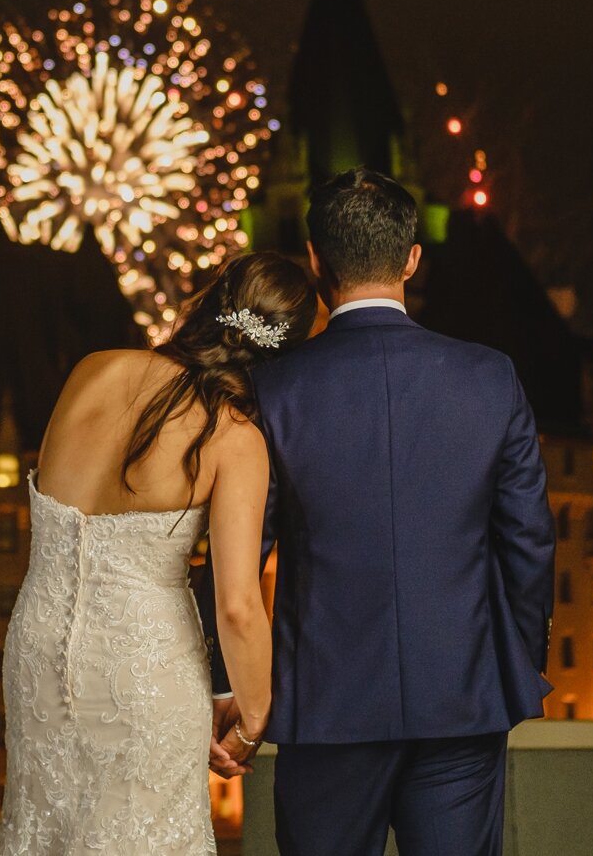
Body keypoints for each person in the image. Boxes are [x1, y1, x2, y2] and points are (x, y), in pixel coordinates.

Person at [201, 167, 557, 856]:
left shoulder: (271, 388)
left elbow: (239, 555)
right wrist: (513, 661)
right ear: (412, 258)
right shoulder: (491, 377)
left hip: (326, 706)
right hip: (462, 695)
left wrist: (228, 685)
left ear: (315, 260)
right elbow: (529, 543)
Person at [0, 251, 318, 856]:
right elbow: (240, 604)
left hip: (35, 650)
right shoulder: (233, 436)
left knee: (43, 823)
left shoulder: (94, 370)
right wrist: (251, 719)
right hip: (143, 666)